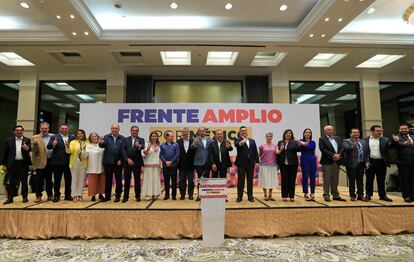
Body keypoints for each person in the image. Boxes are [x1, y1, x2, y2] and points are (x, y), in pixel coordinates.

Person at [2, 125, 31, 205]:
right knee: (11, 182)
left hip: (23, 164)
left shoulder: (27, 140)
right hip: (12, 164)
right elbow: (5, 153)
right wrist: (4, 164)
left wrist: (27, 148)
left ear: (23, 131)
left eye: (20, 130)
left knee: (24, 182)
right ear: (14, 131)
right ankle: (10, 198)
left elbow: (30, 150)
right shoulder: (8, 140)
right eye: (17, 130)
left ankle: (24, 197)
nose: (19, 131)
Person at [363, 125, 392, 202]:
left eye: (380, 131)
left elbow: (391, 146)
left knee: (381, 179)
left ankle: (382, 195)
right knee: (369, 179)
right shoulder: (365, 140)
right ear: (372, 131)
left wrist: (394, 141)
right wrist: (365, 162)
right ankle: (368, 195)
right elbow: (364, 152)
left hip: (381, 162)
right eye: (378, 131)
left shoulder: (385, 140)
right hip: (370, 162)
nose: (380, 132)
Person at [47, 124, 75, 202]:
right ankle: (56, 196)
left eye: (66, 129)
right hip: (57, 162)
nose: (64, 130)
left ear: (68, 129)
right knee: (57, 180)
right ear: (60, 129)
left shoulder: (72, 137)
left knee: (68, 180)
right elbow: (48, 147)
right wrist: (53, 144)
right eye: (62, 128)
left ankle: (68, 195)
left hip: (69, 162)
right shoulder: (54, 137)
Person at [99, 124, 127, 202]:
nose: (114, 129)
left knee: (118, 180)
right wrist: (100, 143)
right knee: (108, 180)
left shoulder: (123, 138)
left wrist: (121, 160)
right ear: (111, 129)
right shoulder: (106, 137)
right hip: (108, 162)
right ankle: (107, 196)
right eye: (113, 128)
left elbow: (124, 150)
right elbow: (102, 146)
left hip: (118, 162)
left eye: (116, 128)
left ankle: (118, 196)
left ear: (119, 129)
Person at [319, 125, 346, 202]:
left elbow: (342, 148)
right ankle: (326, 195)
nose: (331, 131)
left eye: (332, 129)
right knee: (327, 179)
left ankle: (335, 195)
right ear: (326, 131)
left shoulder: (337, 138)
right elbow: (323, 149)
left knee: (335, 179)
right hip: (327, 161)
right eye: (329, 130)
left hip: (337, 161)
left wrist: (339, 155)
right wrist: (333, 155)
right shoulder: (322, 139)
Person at [235, 126, 259, 202]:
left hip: (250, 163)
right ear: (240, 132)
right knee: (241, 180)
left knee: (250, 180)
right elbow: (237, 145)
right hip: (241, 163)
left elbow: (255, 151)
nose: (244, 131)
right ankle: (239, 196)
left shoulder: (252, 141)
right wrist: (241, 143)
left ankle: (250, 196)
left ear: (247, 131)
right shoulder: (237, 140)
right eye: (242, 130)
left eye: (245, 130)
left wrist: (257, 161)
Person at [390, 123, 414, 203]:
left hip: (413, 162)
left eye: (405, 129)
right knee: (405, 180)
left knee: (412, 179)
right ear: (399, 130)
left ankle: (412, 195)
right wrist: (395, 141)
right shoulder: (397, 137)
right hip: (403, 162)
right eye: (402, 129)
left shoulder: (413, 137)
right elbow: (391, 146)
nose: (403, 130)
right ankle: (406, 196)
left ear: (408, 129)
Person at [342, 128, 368, 201]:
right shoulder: (346, 141)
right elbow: (345, 149)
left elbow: (366, 152)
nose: (356, 134)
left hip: (361, 164)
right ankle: (352, 195)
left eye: (357, 132)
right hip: (351, 164)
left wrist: (367, 162)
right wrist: (352, 146)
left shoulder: (363, 141)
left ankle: (360, 195)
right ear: (350, 134)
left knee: (360, 181)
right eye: (354, 132)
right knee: (352, 180)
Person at [31, 122, 54, 203]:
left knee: (49, 180)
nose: (44, 130)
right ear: (40, 128)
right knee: (39, 180)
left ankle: (50, 195)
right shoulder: (35, 137)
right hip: (40, 161)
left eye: (46, 128)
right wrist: (35, 144)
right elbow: (34, 151)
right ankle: (38, 196)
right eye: (42, 128)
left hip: (51, 161)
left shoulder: (53, 136)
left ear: (48, 129)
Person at [277, 129, 300, 202]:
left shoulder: (294, 142)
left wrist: (299, 145)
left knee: (292, 180)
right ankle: (284, 195)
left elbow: (298, 150)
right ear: (284, 134)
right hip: (283, 164)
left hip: (293, 164)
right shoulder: (280, 142)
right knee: (284, 180)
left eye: (289, 133)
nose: (288, 134)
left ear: (291, 135)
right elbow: (278, 153)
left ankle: (291, 196)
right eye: (286, 133)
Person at [123, 126, 145, 202]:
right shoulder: (125, 139)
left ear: (138, 132)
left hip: (137, 163)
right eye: (133, 130)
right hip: (127, 163)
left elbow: (142, 146)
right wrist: (127, 159)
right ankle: (125, 197)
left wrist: (139, 146)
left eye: (136, 130)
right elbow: (123, 150)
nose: (134, 131)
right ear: (130, 131)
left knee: (137, 180)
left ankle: (138, 196)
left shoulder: (141, 139)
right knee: (127, 180)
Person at [66, 129, 89, 201]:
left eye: (81, 133)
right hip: (75, 162)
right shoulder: (73, 142)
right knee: (74, 179)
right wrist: (67, 146)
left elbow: (88, 154)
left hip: (83, 162)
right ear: (76, 135)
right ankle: (74, 195)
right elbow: (69, 151)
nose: (80, 135)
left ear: (84, 134)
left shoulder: (87, 142)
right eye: (78, 133)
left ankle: (80, 195)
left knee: (81, 180)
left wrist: (84, 149)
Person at [191, 127, 212, 201]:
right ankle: (199, 195)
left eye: (203, 131)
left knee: (206, 179)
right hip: (199, 162)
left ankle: (205, 195)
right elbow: (192, 148)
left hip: (208, 162)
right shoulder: (196, 140)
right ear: (198, 132)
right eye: (200, 131)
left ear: (205, 132)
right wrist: (194, 144)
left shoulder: (209, 140)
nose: (202, 132)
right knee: (200, 179)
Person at [258, 132, 278, 201]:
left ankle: (270, 195)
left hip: (273, 165)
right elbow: (260, 154)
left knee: (271, 180)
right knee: (264, 180)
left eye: (270, 136)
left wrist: (281, 149)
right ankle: (265, 195)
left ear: (272, 137)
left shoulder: (275, 146)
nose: (269, 137)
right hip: (264, 165)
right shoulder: (262, 146)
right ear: (265, 137)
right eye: (267, 136)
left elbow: (277, 153)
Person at [160, 131, 180, 200]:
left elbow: (177, 154)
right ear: (167, 137)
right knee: (166, 181)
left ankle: (174, 195)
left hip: (174, 165)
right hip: (165, 166)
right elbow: (161, 155)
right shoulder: (162, 145)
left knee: (174, 181)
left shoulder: (176, 144)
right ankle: (167, 195)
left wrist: (171, 161)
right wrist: (166, 162)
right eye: (171, 136)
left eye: (172, 136)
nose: (172, 137)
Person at [85, 132, 105, 201]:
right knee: (93, 182)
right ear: (90, 139)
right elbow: (85, 156)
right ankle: (93, 195)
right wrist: (82, 151)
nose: (94, 138)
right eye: (92, 137)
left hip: (101, 166)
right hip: (92, 166)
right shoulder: (88, 146)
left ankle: (101, 194)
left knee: (101, 181)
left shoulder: (102, 145)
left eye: (95, 136)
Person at [176, 127, 195, 200]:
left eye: (186, 132)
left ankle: (191, 195)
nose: (185, 133)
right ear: (182, 133)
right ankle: (182, 194)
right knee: (182, 181)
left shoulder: (193, 141)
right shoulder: (178, 141)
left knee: (191, 181)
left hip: (191, 164)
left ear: (188, 133)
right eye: (183, 132)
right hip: (181, 164)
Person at [142, 131, 162, 200]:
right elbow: (144, 153)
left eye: (155, 136)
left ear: (157, 137)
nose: (154, 137)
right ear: (150, 137)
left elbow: (159, 156)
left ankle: (155, 193)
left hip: (156, 165)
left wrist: (159, 163)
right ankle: (148, 194)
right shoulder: (147, 144)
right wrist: (147, 149)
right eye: (152, 136)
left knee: (155, 179)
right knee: (148, 180)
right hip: (148, 165)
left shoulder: (159, 145)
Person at [299, 128, 317, 201]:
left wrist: (304, 144)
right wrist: (303, 143)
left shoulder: (313, 142)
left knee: (313, 177)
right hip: (304, 159)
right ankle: (306, 193)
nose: (307, 133)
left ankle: (312, 193)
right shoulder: (301, 141)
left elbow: (310, 147)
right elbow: (299, 148)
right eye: (306, 132)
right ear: (304, 134)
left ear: (310, 134)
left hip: (312, 160)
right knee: (305, 177)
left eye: (309, 132)